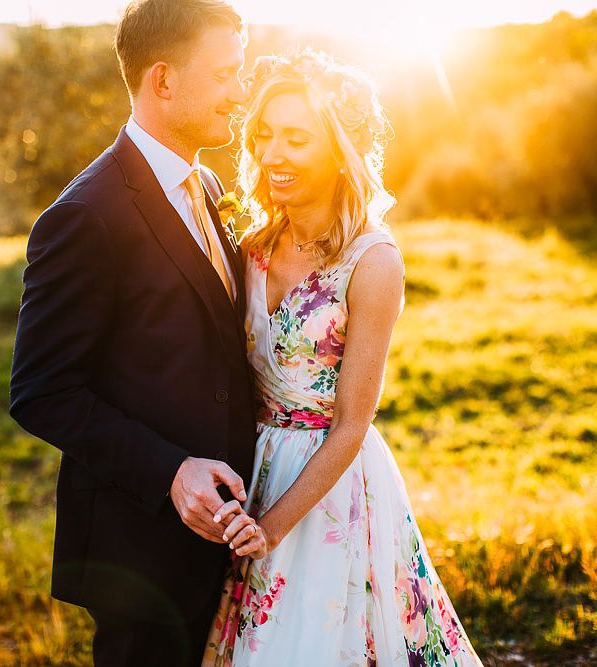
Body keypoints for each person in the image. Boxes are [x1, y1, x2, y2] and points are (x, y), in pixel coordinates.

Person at [201, 50, 483, 666]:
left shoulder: (372, 262)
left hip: (328, 488)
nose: (272, 154)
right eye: (265, 135)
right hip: (250, 469)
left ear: (339, 149)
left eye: (296, 139)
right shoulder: (251, 245)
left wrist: (272, 526)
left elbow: (354, 422)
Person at [9, 1, 258, 665]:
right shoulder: (85, 216)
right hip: (141, 548)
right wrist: (171, 471)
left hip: (226, 531)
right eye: (225, 75)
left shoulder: (206, 183)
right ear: (163, 80)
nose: (240, 93)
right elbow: (41, 391)